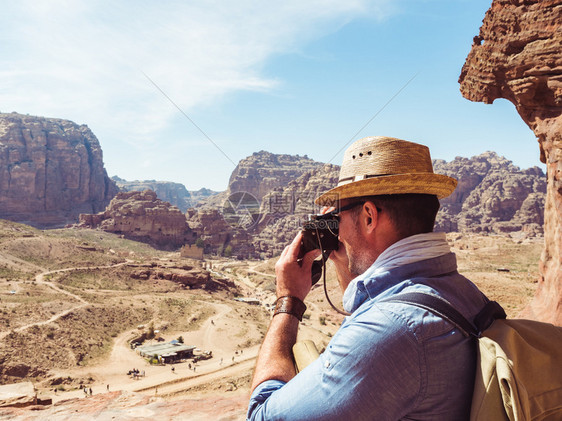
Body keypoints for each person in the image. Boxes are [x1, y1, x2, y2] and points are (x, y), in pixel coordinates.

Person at [247, 136, 490, 420]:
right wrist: (345, 257)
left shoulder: (390, 329)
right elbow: (368, 305)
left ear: (369, 216)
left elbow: (261, 415)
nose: (335, 229)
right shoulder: (462, 292)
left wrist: (288, 301)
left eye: (337, 215)